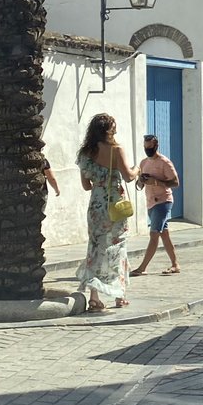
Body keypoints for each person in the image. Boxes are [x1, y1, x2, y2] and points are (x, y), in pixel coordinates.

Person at [76, 113, 139, 312]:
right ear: (108, 130)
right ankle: (119, 296)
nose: (116, 130)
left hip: (96, 206)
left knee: (95, 247)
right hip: (114, 207)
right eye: (114, 127)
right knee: (117, 247)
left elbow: (86, 185)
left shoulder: (85, 153)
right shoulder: (116, 150)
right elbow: (129, 177)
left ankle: (94, 297)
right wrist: (138, 168)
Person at [130, 134, 180, 276]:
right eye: (145, 148)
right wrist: (141, 180)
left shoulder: (165, 162)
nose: (148, 150)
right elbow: (139, 184)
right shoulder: (143, 162)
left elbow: (175, 182)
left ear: (156, 146)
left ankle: (142, 267)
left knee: (154, 234)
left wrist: (157, 182)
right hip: (151, 202)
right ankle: (175, 264)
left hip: (163, 202)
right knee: (164, 234)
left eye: (150, 147)